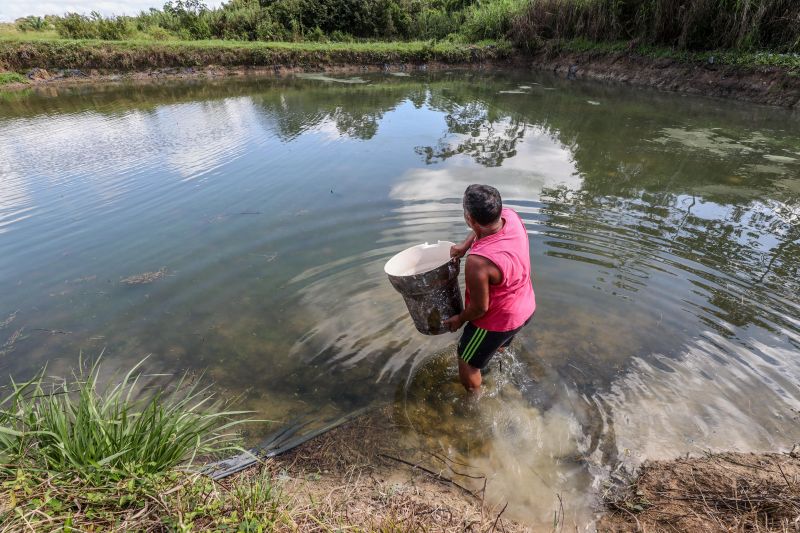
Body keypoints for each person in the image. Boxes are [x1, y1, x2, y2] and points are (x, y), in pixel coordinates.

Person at [444, 184, 536, 392]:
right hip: (526, 307)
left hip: (498, 321)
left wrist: (460, 319)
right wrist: (465, 246)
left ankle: (475, 401)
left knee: (467, 362)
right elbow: (484, 229)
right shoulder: (510, 217)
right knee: (497, 344)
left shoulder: (479, 262)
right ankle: (496, 355)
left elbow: (479, 308)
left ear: (470, 219)